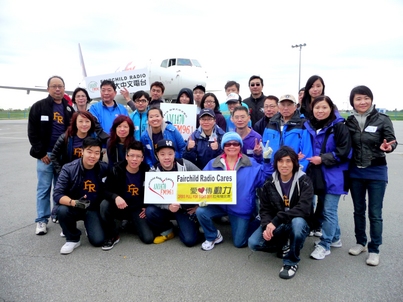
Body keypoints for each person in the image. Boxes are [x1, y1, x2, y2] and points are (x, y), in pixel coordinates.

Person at [345, 85, 397, 266]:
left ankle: (374, 248)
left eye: (366, 98)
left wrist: (389, 147)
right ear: (352, 101)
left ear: (371, 100)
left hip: (376, 170)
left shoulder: (382, 119)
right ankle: (361, 242)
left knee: (375, 212)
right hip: (355, 171)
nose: (362, 102)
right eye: (358, 99)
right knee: (358, 210)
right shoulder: (348, 121)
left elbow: (392, 141)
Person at [196, 132, 272, 251]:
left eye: (235, 143)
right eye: (228, 144)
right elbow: (201, 183)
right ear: (223, 147)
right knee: (201, 211)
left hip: (240, 208)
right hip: (219, 205)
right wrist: (201, 198)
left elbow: (265, 177)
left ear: (240, 146)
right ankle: (213, 236)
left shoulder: (250, 163)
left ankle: (258, 221)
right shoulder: (212, 163)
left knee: (239, 243)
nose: (232, 146)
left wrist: (267, 161)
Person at [248, 146, 313, 279]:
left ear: (295, 162)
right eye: (280, 161)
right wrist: (267, 226)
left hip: (297, 220)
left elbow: (304, 208)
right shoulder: (269, 182)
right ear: (275, 163)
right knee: (254, 243)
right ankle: (285, 243)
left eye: (288, 161)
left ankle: (291, 261)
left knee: (298, 223)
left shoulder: (304, 181)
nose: (284, 165)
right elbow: (265, 209)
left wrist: (276, 221)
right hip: (279, 223)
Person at [304, 96, 352, 260]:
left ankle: (325, 245)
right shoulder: (310, 125)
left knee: (328, 210)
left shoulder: (339, 127)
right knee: (326, 209)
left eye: (324, 107)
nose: (320, 111)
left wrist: (322, 159)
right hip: (318, 174)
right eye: (317, 108)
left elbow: (344, 152)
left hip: (335, 175)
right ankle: (336, 238)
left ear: (331, 108)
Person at [28, 75, 74, 235]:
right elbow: (32, 132)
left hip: (63, 155)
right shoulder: (39, 107)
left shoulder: (69, 109)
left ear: (64, 88)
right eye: (54, 86)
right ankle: (41, 220)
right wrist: (40, 153)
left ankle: (59, 217)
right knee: (44, 187)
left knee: (61, 188)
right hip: (46, 155)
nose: (57, 89)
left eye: (60, 86)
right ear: (48, 88)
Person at [53, 137, 108, 254]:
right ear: (82, 151)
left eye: (96, 153)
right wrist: (74, 203)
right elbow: (57, 194)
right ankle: (72, 238)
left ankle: (90, 226)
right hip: (74, 206)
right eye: (89, 151)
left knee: (98, 241)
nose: (93, 156)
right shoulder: (69, 168)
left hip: (92, 208)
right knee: (61, 210)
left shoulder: (103, 168)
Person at [145, 139, 202, 247]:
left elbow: (204, 180)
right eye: (162, 154)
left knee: (190, 241)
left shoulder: (185, 165)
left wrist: (198, 205)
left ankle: (188, 226)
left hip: (185, 209)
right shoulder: (153, 172)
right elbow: (151, 197)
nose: (167, 157)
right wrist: (168, 206)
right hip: (167, 208)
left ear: (174, 154)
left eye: (170, 154)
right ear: (157, 155)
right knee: (150, 211)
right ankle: (167, 229)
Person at [100, 141, 154, 250]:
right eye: (132, 155)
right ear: (126, 156)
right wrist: (116, 197)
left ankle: (131, 223)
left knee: (148, 238)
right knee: (104, 205)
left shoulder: (147, 170)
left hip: (136, 207)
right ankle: (112, 235)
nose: (134, 159)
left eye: (138, 156)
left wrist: (146, 206)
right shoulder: (116, 169)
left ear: (142, 158)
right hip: (120, 206)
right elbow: (105, 190)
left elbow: (152, 191)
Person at [262, 94, 312, 172]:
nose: (285, 108)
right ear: (278, 107)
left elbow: (306, 151)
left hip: (293, 170)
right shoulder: (271, 123)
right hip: (272, 170)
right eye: (283, 105)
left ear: (295, 107)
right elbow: (264, 147)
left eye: (289, 105)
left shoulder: (302, 124)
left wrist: (298, 170)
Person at [51, 111, 98, 175]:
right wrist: (61, 172)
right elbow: (54, 156)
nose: (84, 124)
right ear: (75, 123)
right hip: (70, 174)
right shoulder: (65, 137)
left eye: (87, 121)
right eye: (80, 121)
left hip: (88, 174)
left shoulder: (95, 137)